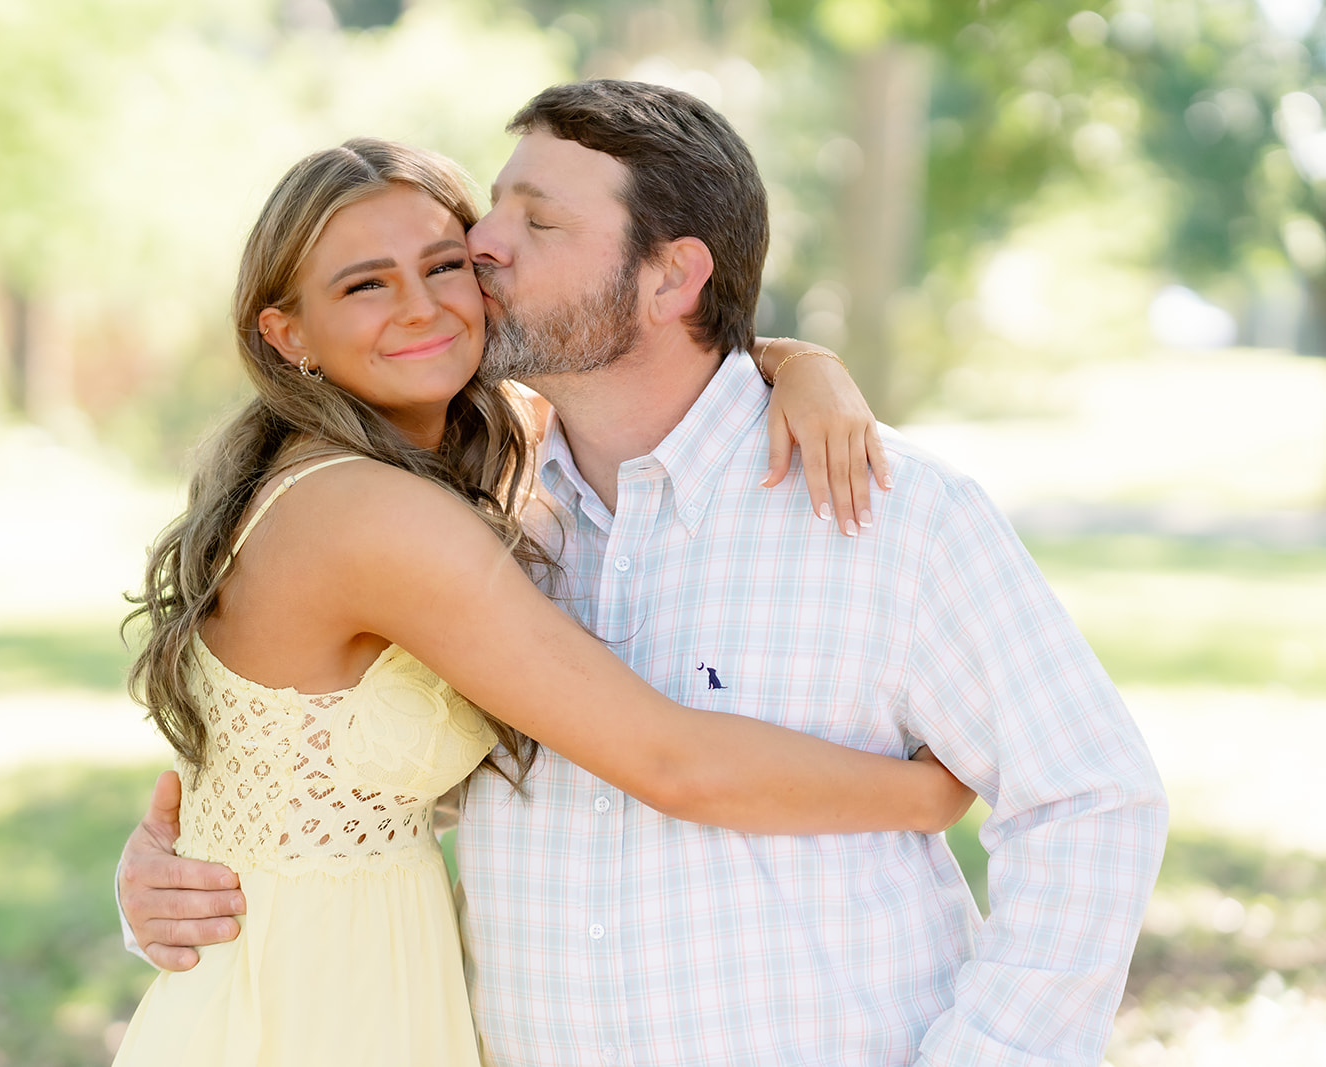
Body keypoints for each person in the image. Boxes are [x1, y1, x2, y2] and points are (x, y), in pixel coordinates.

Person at [125, 79, 1171, 1066]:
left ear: (671, 275)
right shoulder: (488, 516)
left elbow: (1090, 800)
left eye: (533, 225)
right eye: (491, 214)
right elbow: (619, 760)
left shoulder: (886, 507)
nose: (479, 248)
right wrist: (185, 872)